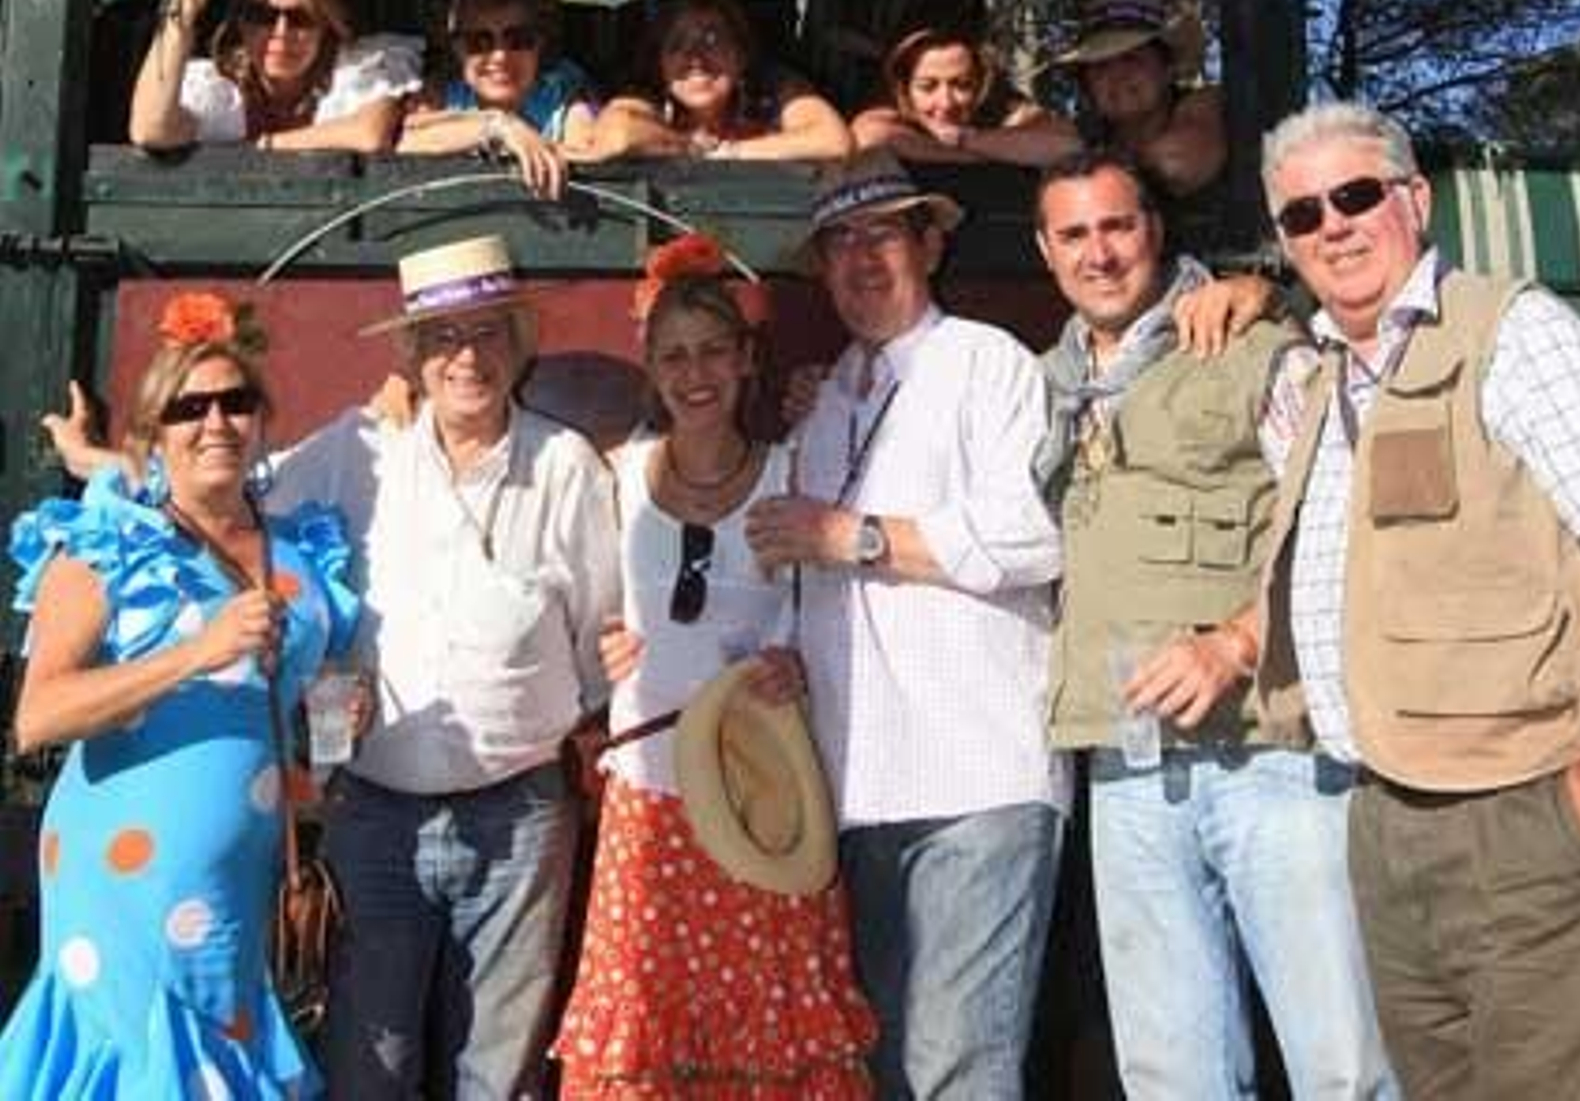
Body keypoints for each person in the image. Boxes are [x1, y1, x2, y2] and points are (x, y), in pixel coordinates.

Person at [43, 232, 620, 1097]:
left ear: (519, 345)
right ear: (413, 355)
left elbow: (598, 639)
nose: (468, 358)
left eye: (489, 333)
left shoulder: (567, 466)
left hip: (522, 815)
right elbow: (214, 480)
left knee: (499, 1072)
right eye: (444, 339)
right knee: (368, 1068)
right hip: (376, 814)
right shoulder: (359, 452)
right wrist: (107, 466)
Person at [1032, 149, 1396, 1099]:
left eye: (1117, 225)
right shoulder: (1046, 386)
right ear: (1045, 251)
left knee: (1343, 1066)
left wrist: (1236, 642)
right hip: (1126, 766)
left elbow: (1347, 513)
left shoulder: (1251, 350)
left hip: (1274, 758)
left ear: (1154, 229)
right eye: (1073, 234)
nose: (1099, 253)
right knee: (1170, 1077)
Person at [1254, 101, 1580, 1099]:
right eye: (1303, 214)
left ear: (1414, 198)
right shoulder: (1316, 380)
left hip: (1525, 808)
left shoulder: (1512, 329)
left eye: (1356, 194)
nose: (1334, 225)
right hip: (1383, 812)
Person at [744, 151, 1063, 1099]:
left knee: (955, 1067)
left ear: (930, 243)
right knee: (890, 1066)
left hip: (979, 779)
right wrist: (788, 656)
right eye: (838, 241)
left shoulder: (988, 361)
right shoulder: (826, 398)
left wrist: (854, 538)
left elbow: (1034, 539)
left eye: (883, 232)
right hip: (859, 787)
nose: (860, 257)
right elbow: (807, 579)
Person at [0, 293, 358, 1098]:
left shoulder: (302, 554)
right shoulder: (111, 544)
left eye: (236, 402)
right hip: (121, 880)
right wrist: (196, 651)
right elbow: (38, 716)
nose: (216, 423)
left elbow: (312, 699)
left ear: (263, 419)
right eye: (188, 408)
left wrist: (337, 736)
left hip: (236, 886)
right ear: (154, 434)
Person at [554, 243, 875, 1097]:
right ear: (652, 372)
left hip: (760, 790)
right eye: (674, 356)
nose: (695, 374)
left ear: (745, 361)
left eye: (711, 351)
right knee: (647, 1034)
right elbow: (572, 611)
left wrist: (794, 661)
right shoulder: (614, 478)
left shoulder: (791, 472)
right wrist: (599, 648)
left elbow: (838, 619)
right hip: (649, 794)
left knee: (769, 1029)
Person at [128, 0, 420, 152]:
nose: (281, 33)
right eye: (263, 17)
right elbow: (150, 130)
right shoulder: (216, 90)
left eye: (300, 19)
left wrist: (266, 146)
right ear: (240, 24)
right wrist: (185, 9)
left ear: (327, 25)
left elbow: (369, 134)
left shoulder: (362, 69)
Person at [588, 0, 850, 163]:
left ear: (741, 53)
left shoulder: (774, 87)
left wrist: (731, 152)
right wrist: (688, 146)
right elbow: (616, 137)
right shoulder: (647, 96)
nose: (695, 58)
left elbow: (833, 141)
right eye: (677, 44)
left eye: (712, 40)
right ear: (660, 63)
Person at [398, 0, 599, 196]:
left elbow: (587, 152)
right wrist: (499, 127)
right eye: (478, 42)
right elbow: (399, 138)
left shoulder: (564, 96)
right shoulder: (443, 93)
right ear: (457, 50)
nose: (500, 56)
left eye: (519, 39)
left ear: (539, 44)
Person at [1056, 0, 1227, 197]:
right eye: (1101, 65)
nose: (1117, 75)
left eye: (1132, 58)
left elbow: (1177, 164)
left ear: (1168, 69)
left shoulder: (1203, 105)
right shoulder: (1085, 130)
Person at [850, 21, 1078, 165]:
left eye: (961, 85)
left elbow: (1068, 145)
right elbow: (868, 136)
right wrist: (986, 154)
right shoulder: (894, 114)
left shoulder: (1001, 112)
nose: (946, 102)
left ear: (980, 84)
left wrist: (964, 138)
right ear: (905, 89)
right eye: (928, 87)